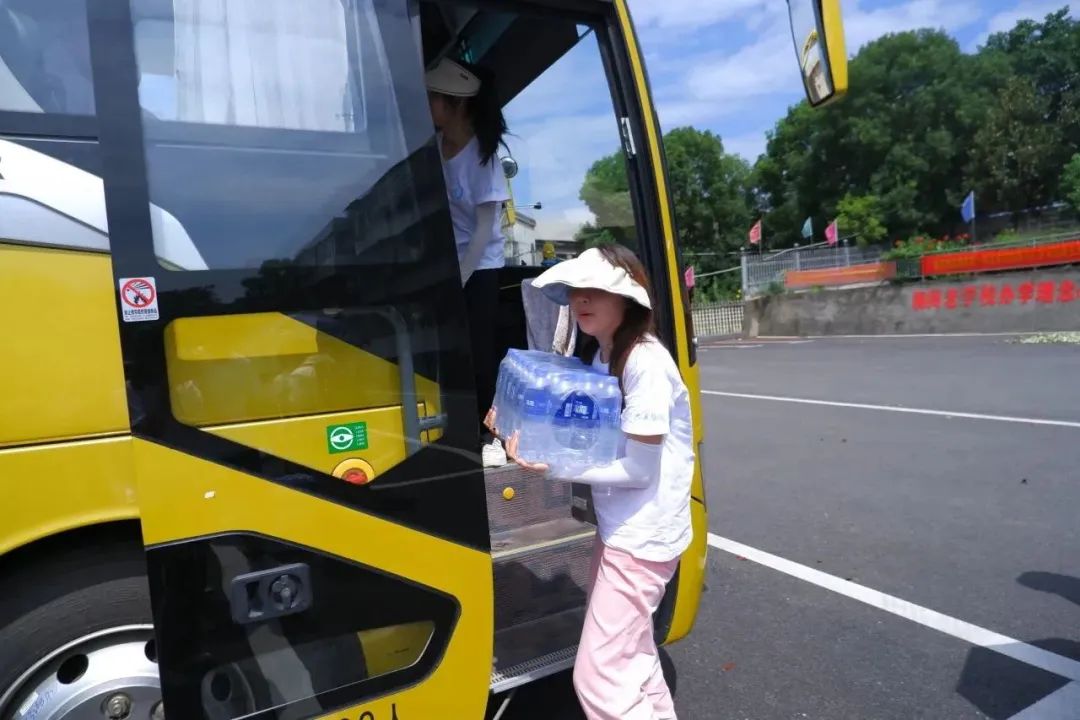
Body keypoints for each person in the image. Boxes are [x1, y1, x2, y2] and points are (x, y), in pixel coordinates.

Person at [490, 245, 693, 720]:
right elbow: (584, 434)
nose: (581, 299)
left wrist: (552, 467)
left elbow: (638, 470)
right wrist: (513, 419)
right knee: (634, 653)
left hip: (643, 537)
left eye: (596, 290)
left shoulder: (644, 363)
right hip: (625, 528)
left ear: (626, 298)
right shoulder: (604, 357)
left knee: (599, 676)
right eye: (576, 290)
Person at [425, 57, 510, 422]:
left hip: (480, 268)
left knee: (478, 352)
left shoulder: (482, 157)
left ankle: (486, 427)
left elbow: (484, 232)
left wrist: (459, 280)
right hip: (451, 262)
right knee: (448, 349)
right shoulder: (436, 145)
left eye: (433, 97)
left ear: (456, 104)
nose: (428, 104)